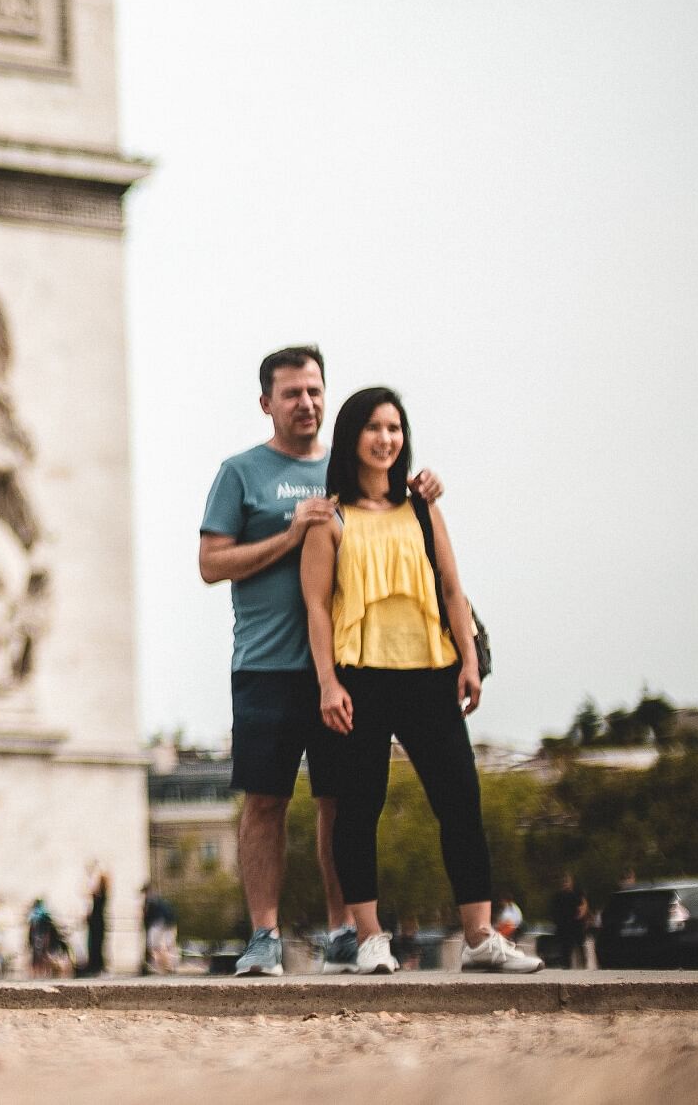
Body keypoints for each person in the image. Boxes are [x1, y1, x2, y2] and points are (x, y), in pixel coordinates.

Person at [199, 346, 442, 977]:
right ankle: (264, 936)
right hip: (267, 666)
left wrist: (424, 488)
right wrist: (288, 535)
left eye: (314, 391)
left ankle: (342, 931)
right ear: (266, 404)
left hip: (348, 667)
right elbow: (210, 564)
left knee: (342, 802)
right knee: (266, 802)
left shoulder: (348, 468)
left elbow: (400, 514)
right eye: (291, 393)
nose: (305, 403)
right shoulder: (240, 473)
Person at [299, 386, 540, 977]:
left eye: (396, 428)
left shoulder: (423, 508)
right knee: (360, 808)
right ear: (353, 435)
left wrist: (469, 661)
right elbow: (317, 609)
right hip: (359, 678)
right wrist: (328, 682)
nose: (387, 439)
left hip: (429, 673)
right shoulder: (329, 518)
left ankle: (480, 937)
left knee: (460, 799)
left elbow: (452, 589)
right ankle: (371, 938)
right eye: (375, 428)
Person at [549, 874, 589, 969]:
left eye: (567, 882)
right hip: (563, 925)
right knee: (565, 947)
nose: (565, 884)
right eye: (564, 882)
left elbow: (582, 907)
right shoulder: (557, 896)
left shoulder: (576, 894)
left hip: (575, 924)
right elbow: (554, 910)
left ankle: (583, 965)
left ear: (571, 883)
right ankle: (566, 965)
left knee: (579, 945)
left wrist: (581, 918)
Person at [142, 883, 179, 975]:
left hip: (158, 923)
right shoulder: (161, 900)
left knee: (154, 946)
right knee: (168, 945)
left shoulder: (150, 900)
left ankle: (159, 966)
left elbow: (147, 915)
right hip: (169, 923)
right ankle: (170, 965)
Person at [79, 867, 109, 977]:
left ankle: (96, 966)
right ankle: (95, 966)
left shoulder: (100, 895)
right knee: (95, 945)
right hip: (96, 924)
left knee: (96, 945)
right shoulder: (100, 896)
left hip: (97, 924)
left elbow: (90, 892)